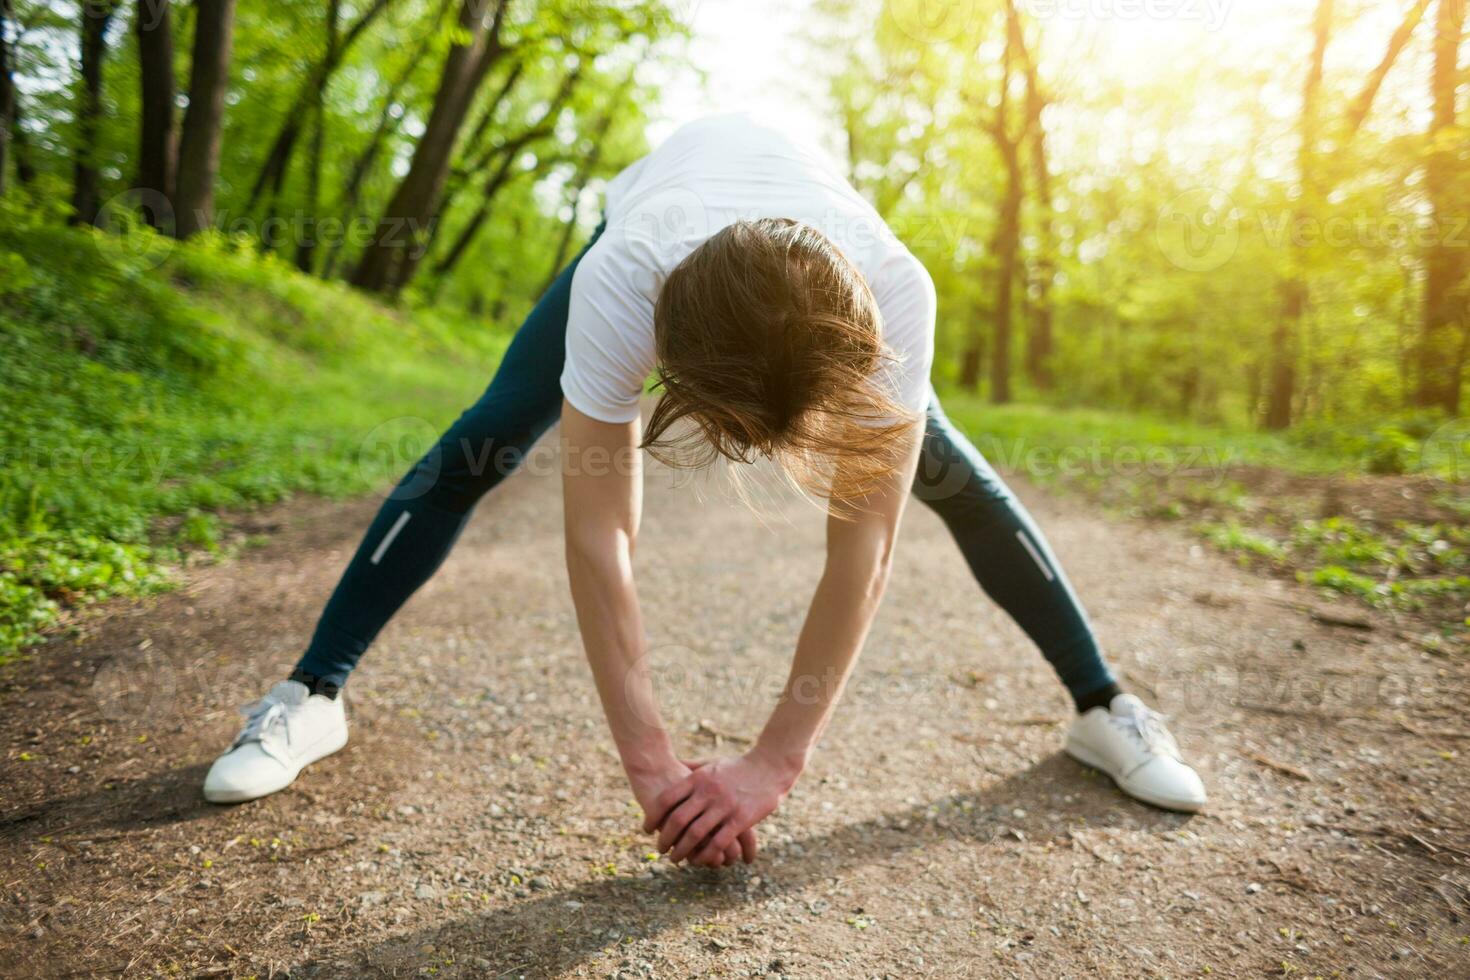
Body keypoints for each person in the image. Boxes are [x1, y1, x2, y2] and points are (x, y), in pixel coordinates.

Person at [202, 114, 1206, 866]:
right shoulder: (626, 280)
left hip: (823, 259)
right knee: (487, 437)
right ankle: (308, 693)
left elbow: (864, 548)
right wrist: (652, 763)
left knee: (953, 475)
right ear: (667, 371)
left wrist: (774, 763)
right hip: (662, 215)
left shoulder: (896, 293)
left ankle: (1104, 705)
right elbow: (602, 539)